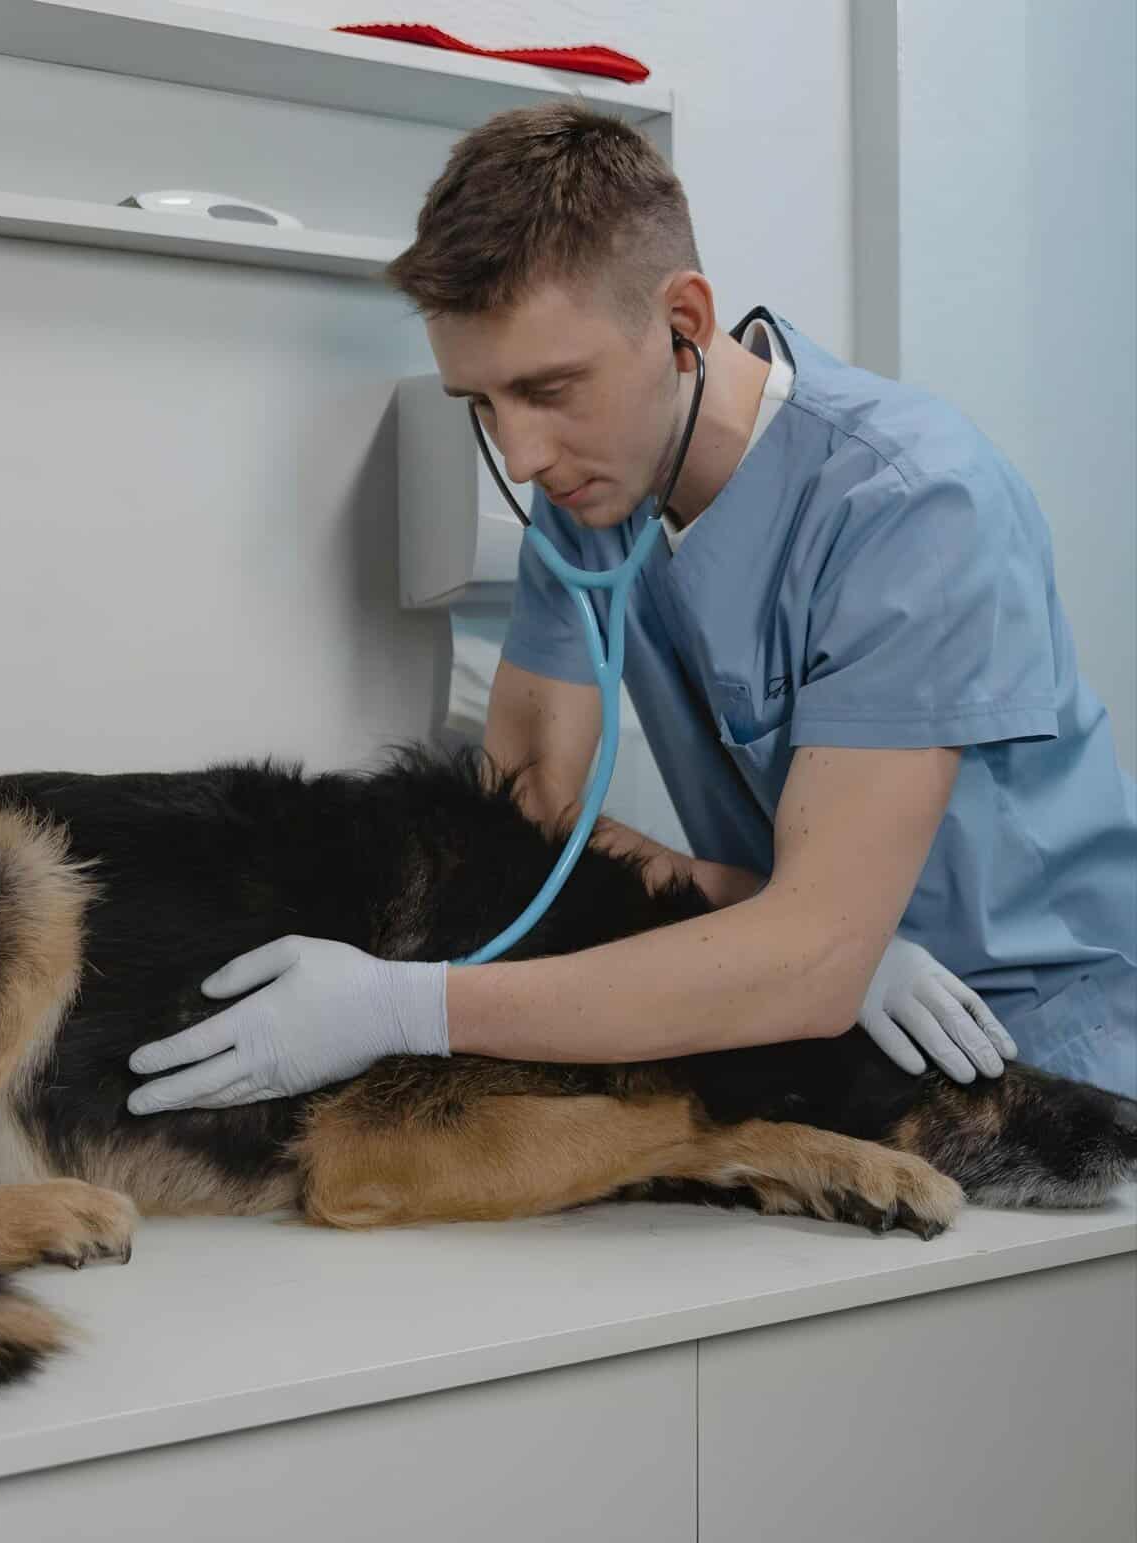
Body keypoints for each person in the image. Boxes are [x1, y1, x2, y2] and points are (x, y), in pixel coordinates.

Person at [127, 103, 1136, 1118]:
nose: (520, 457)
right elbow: (526, 805)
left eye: (550, 387)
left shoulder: (912, 505)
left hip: (1042, 1046)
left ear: (683, 324)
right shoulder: (598, 494)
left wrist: (404, 1009)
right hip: (800, 1017)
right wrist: (771, 917)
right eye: (481, 402)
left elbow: (811, 964)